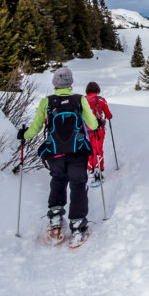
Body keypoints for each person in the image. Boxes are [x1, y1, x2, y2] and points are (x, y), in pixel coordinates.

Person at [18, 67, 98, 244]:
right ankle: (77, 226)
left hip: (55, 152)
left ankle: (55, 218)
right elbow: (92, 125)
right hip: (78, 151)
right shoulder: (80, 100)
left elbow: (36, 127)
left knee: (58, 181)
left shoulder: (47, 102)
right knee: (78, 184)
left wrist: (23, 135)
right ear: (71, 83)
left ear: (55, 83)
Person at [85, 81, 113, 184]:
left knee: (89, 149)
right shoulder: (100, 100)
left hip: (86, 130)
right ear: (97, 90)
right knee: (98, 149)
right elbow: (108, 114)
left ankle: (90, 169)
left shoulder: (82, 100)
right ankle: (98, 170)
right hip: (98, 130)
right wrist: (109, 117)